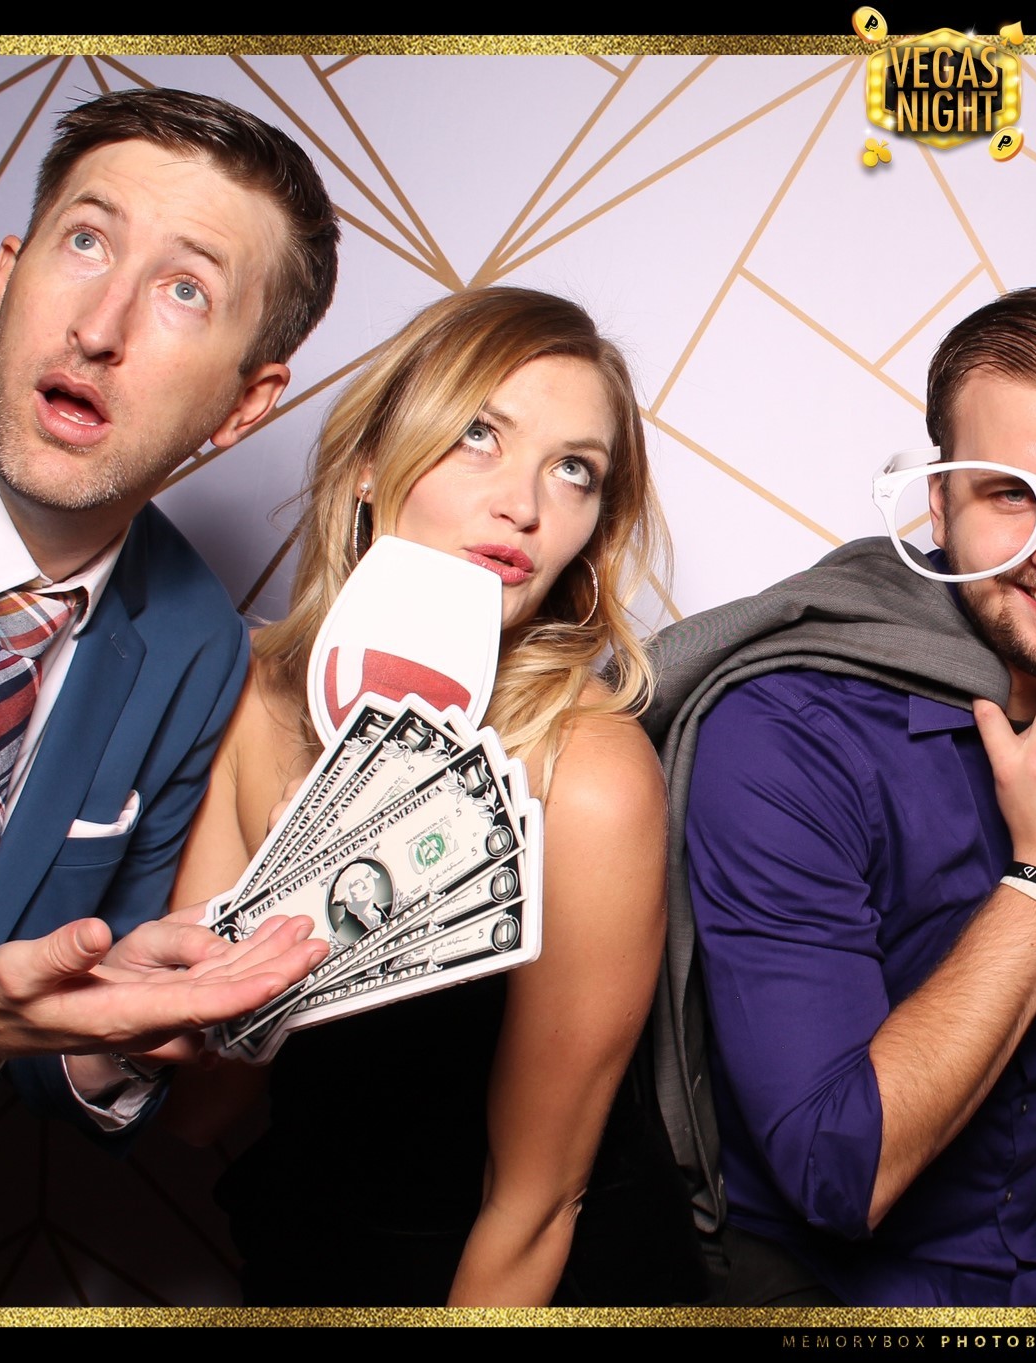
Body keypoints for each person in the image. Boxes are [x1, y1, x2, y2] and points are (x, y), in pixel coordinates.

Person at [645, 287, 1036, 1306]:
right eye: (1011, 494)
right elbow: (835, 1167)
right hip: (795, 1281)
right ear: (936, 506)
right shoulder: (785, 728)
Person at [166, 287, 704, 1308]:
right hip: (313, 1251)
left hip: (531, 1272)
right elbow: (199, 1111)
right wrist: (298, 914)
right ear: (371, 462)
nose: (524, 505)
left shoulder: (588, 772)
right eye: (478, 435)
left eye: (574, 469)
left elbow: (535, 1204)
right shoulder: (257, 699)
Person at [0, 87, 340, 1124]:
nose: (99, 327)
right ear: (2, 284)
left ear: (244, 404)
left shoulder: (196, 649)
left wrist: (107, 1042)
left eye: (185, 290)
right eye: (87, 240)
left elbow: (37, 1027)